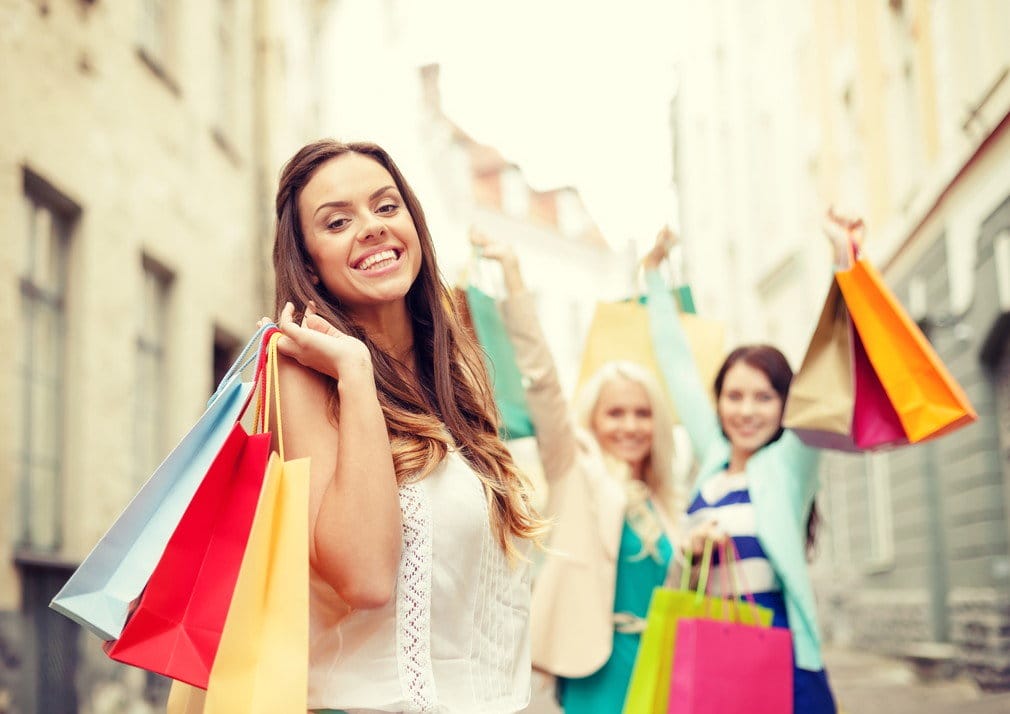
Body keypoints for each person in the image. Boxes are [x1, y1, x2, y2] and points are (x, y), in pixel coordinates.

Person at [269, 139, 547, 713]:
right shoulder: (302, 375)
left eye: (386, 206)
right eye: (338, 221)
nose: (371, 227)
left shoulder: (456, 374)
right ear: (309, 267)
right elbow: (366, 578)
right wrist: (354, 372)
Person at [641, 212, 861, 714]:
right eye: (734, 396)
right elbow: (676, 365)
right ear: (717, 402)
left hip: (780, 650)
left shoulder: (790, 462)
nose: (745, 410)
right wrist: (654, 274)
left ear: (787, 404)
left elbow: (830, 367)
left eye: (763, 398)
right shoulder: (714, 460)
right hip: (711, 641)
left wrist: (842, 263)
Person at [471, 231, 683, 714]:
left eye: (642, 413)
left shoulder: (662, 497)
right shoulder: (576, 470)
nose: (630, 425)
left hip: (667, 668)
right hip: (600, 669)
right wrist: (514, 281)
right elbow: (543, 383)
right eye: (616, 413)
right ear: (594, 418)